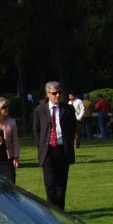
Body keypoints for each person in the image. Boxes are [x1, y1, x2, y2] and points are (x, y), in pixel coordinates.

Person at [32, 80, 77, 210]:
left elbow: (72, 128)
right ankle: (52, 209)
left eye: (59, 93)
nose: (58, 95)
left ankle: (60, 210)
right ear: (48, 94)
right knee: (50, 183)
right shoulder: (40, 110)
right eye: (54, 93)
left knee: (61, 184)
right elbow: (37, 131)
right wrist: (42, 145)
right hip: (48, 151)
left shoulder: (67, 109)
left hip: (63, 150)